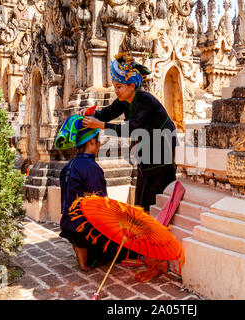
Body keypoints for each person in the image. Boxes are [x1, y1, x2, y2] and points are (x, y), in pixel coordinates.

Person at [80, 53, 177, 212]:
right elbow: (107, 113)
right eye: (115, 86)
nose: (116, 90)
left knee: (157, 196)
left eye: (119, 86)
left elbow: (132, 128)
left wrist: (101, 125)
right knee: (142, 196)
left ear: (132, 85)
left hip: (162, 149)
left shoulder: (145, 100)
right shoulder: (124, 101)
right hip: (146, 151)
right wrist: (90, 113)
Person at [55, 114, 135, 271]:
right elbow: (100, 204)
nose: (99, 144)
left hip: (68, 224)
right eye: (98, 141)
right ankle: (85, 249)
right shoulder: (91, 168)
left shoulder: (68, 166)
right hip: (85, 230)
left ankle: (81, 247)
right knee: (128, 250)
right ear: (92, 141)